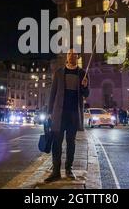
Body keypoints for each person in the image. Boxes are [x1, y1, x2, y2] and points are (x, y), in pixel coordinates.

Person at [45, 49, 90, 183]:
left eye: (75, 55)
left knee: (71, 143)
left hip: (73, 114)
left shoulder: (83, 73)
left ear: (77, 58)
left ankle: (69, 170)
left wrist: (85, 86)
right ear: (67, 57)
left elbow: (86, 94)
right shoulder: (59, 72)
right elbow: (53, 93)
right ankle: (56, 172)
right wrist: (49, 112)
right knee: (56, 143)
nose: (72, 57)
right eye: (70, 55)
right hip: (59, 114)